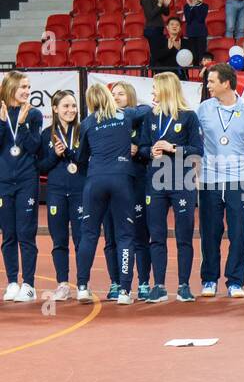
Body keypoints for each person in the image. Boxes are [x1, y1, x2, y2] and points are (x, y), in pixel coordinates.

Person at [196, 63, 244, 299]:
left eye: (211, 81)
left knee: (239, 232)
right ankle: (209, 279)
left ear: (225, 83)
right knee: (210, 231)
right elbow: (194, 143)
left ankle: (235, 281)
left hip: (239, 180)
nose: (208, 85)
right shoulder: (203, 109)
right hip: (209, 180)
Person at [73, 84, 150, 305]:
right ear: (108, 97)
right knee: (126, 235)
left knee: (88, 235)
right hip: (122, 179)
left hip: (95, 180)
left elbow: (80, 158)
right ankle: (125, 292)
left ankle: (82, 287)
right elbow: (145, 110)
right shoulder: (125, 115)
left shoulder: (87, 123)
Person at [139, 72, 202, 303]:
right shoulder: (150, 117)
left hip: (181, 181)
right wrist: (150, 151)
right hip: (155, 181)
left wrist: (173, 147)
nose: (153, 92)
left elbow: (198, 150)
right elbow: (143, 147)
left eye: (155, 88)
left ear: (166, 89)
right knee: (156, 235)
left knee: (184, 236)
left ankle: (184, 285)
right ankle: (159, 286)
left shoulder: (188, 117)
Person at [36, 89, 84, 302]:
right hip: (55, 192)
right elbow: (41, 167)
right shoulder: (47, 134)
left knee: (83, 240)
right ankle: (63, 284)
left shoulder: (83, 131)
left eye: (73, 106)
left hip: (80, 191)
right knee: (59, 240)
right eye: (65, 106)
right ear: (55, 109)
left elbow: (86, 163)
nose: (70, 110)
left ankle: (83, 283)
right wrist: (55, 156)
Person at [0, 72, 42, 303]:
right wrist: (0, 121)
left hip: (26, 180)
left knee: (26, 234)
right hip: (3, 181)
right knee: (8, 234)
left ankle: (29, 284)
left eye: (28, 86)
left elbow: (34, 147)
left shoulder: (34, 114)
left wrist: (24, 124)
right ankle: (12, 283)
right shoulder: (0, 113)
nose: (27, 91)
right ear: (10, 88)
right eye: (22, 87)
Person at [141, 0, 171, 67]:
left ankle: (158, 69)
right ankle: (154, 70)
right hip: (152, 29)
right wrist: (159, 4)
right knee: (155, 52)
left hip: (159, 28)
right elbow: (150, 15)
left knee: (159, 52)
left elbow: (166, 13)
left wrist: (165, 5)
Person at [182, 0, 209, 64]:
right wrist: (191, 7)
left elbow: (201, 19)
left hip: (201, 33)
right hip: (191, 34)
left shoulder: (205, 6)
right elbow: (188, 20)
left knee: (201, 55)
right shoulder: (187, 6)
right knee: (193, 55)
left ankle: (202, 73)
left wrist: (194, 7)